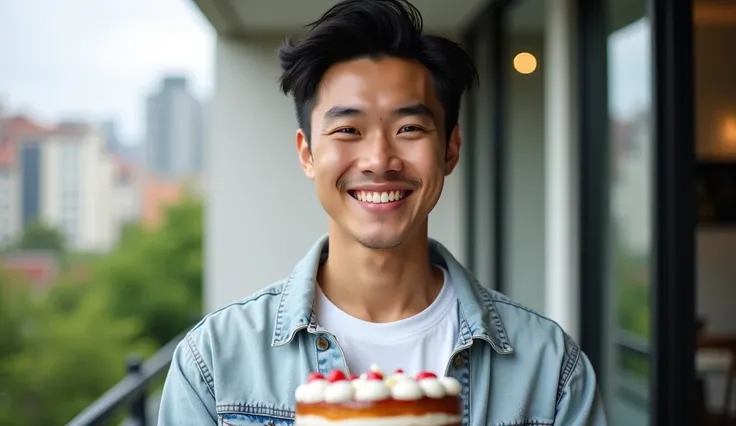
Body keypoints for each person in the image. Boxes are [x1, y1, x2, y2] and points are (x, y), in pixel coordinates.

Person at [157, 0, 607, 424]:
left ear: (450, 149)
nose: (379, 159)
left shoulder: (549, 371)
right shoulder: (215, 362)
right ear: (308, 154)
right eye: (348, 129)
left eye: (409, 127)